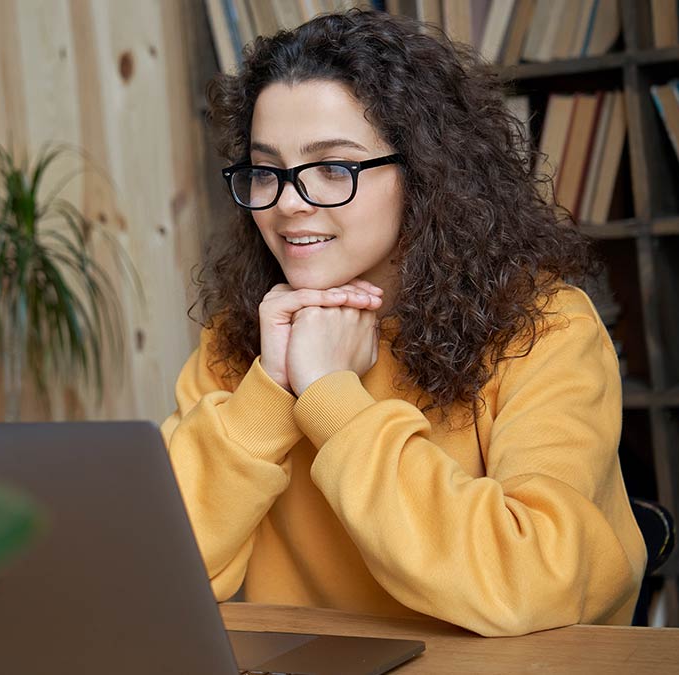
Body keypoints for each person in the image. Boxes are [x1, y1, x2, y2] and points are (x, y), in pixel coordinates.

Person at [160, 10, 646, 638]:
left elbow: (531, 582)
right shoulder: (241, 339)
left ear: (424, 173)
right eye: (265, 170)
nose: (285, 202)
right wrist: (272, 389)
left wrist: (331, 397)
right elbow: (160, 572)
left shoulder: (546, 329)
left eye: (333, 168)